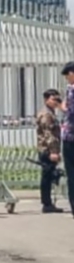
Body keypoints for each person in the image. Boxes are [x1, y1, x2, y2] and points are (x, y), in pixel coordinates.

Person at [36, 88, 64, 213]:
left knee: (49, 175)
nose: (56, 102)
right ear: (46, 100)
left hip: (49, 148)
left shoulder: (51, 113)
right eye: (53, 99)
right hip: (47, 149)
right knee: (47, 177)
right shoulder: (46, 114)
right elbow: (49, 134)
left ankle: (48, 203)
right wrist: (53, 151)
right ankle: (47, 203)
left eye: (58, 99)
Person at [61, 61, 74, 217]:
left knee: (71, 173)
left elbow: (70, 112)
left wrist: (62, 106)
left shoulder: (71, 90)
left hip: (70, 136)